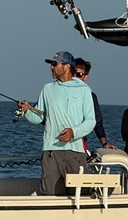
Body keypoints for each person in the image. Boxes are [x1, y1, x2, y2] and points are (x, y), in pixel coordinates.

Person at [19, 50, 95, 196]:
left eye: (55, 64)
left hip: (75, 152)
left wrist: (73, 132)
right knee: (49, 194)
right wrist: (27, 110)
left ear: (67, 66)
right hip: (51, 151)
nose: (51, 67)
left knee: (80, 194)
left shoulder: (84, 90)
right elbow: (38, 118)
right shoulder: (47, 89)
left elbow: (91, 121)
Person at [74, 57, 109, 150]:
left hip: (78, 143)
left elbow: (97, 121)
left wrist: (104, 143)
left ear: (85, 76)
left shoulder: (90, 96)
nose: (74, 77)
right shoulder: (55, 91)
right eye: (72, 73)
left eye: (79, 75)